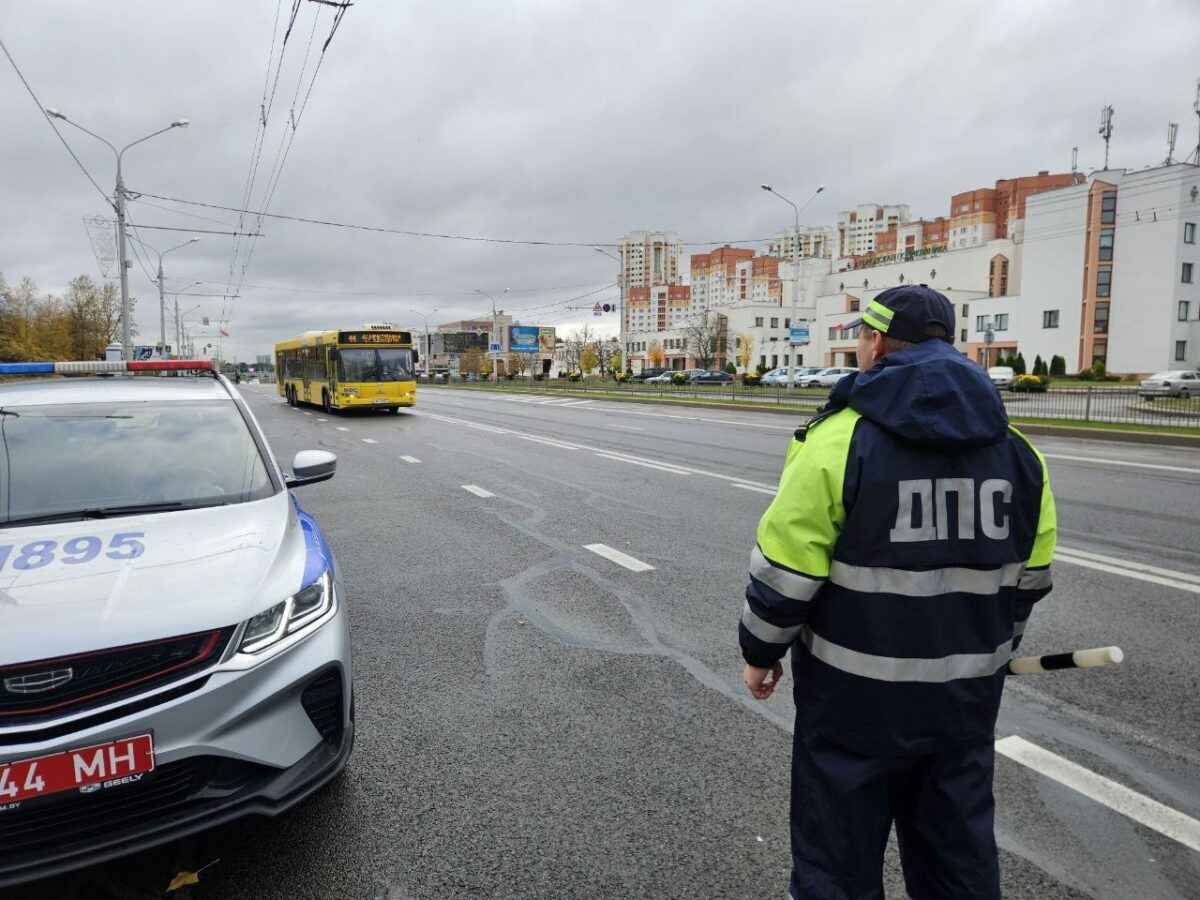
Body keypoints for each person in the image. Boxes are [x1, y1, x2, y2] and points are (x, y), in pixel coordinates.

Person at [739, 284, 1056, 900]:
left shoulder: (836, 440)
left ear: (876, 342)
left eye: (861, 335)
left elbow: (786, 569)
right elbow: (1029, 579)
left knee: (837, 862)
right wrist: (990, 650)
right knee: (957, 862)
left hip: (852, 705)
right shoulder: (1019, 454)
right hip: (964, 703)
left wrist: (760, 653)